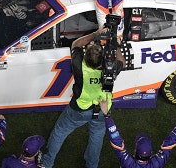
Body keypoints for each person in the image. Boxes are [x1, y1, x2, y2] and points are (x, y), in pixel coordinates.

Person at [41, 28, 125, 168]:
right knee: (96, 137)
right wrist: (114, 44)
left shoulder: (79, 65)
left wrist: (95, 35)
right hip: (103, 108)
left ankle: (46, 163)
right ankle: (91, 165)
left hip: (79, 109)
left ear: (85, 57)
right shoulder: (110, 68)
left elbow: (76, 44)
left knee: (60, 131)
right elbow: (122, 60)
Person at [98, 96, 176, 167]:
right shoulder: (156, 163)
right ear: (151, 153)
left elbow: (116, 140)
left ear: (135, 150)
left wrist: (106, 114)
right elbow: (172, 141)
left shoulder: (129, 163)